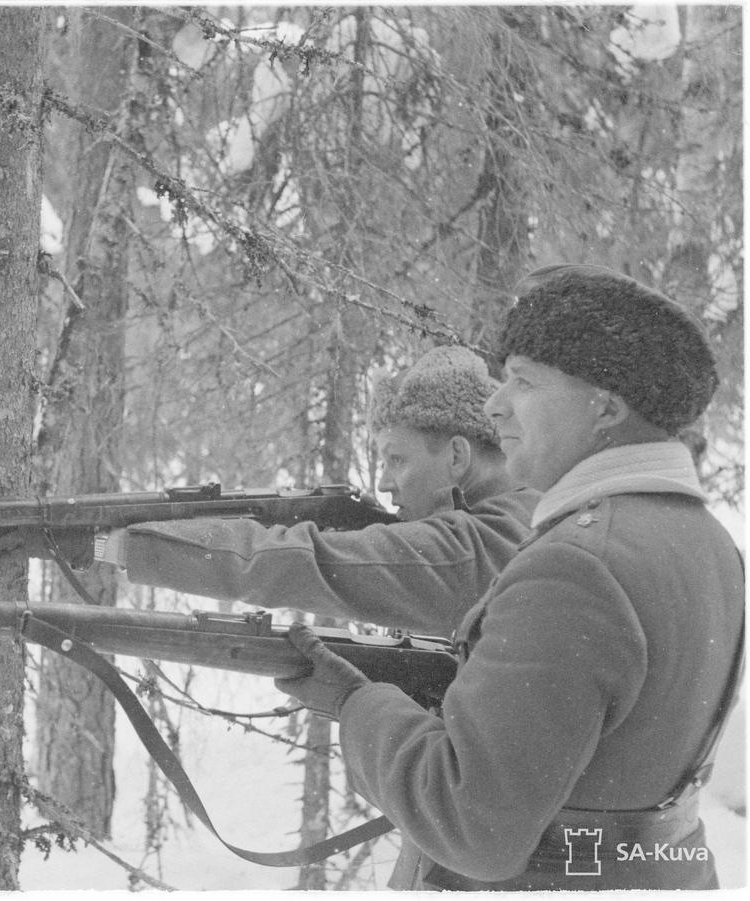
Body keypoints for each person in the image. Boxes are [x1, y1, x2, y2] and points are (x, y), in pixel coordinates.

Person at [275, 264, 743, 890]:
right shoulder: (707, 541)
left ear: (604, 406)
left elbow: (470, 826)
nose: (494, 405)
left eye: (521, 382)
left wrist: (355, 703)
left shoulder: (576, 566)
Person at [94, 345, 538, 635]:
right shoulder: (521, 514)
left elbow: (309, 564)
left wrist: (120, 547)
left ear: (458, 456)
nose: (384, 482)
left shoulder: (487, 541)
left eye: (397, 460)